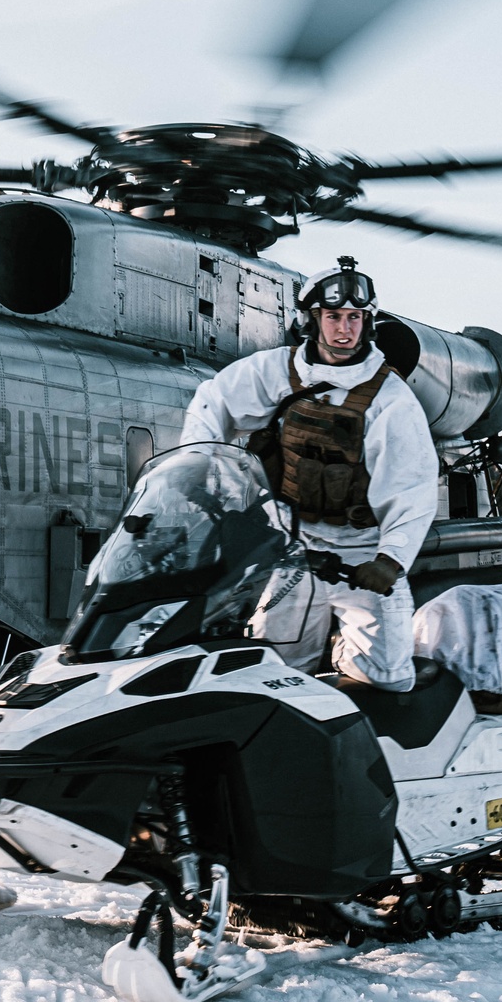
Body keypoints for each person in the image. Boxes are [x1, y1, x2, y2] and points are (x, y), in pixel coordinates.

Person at [180, 257, 439, 690]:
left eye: (355, 318)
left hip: (361, 553)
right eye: (334, 316)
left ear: (368, 323)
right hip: (294, 549)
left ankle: (346, 662)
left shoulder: (390, 398)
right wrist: (198, 473)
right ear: (312, 320)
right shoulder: (275, 373)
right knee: (275, 672)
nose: (345, 329)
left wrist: (390, 560)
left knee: (387, 679)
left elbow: (411, 486)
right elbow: (213, 405)